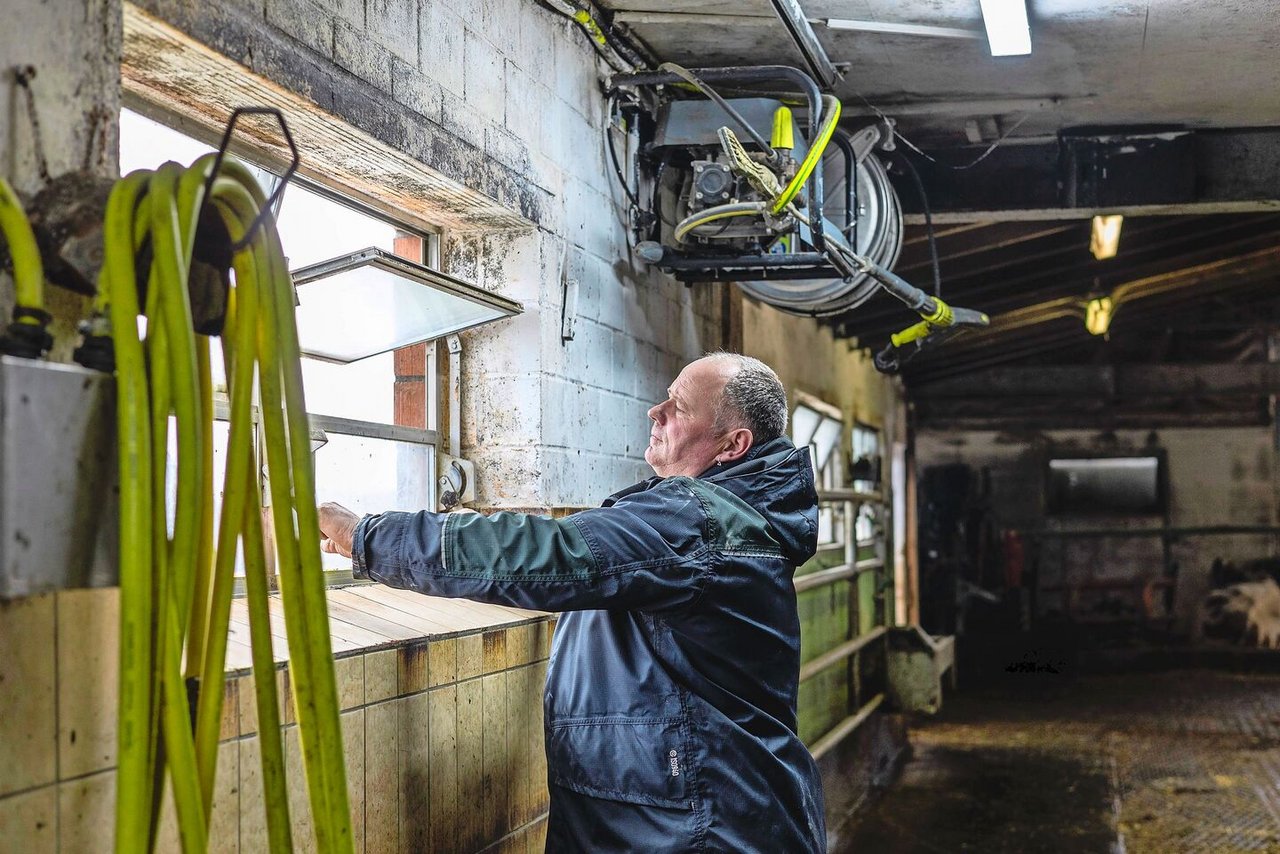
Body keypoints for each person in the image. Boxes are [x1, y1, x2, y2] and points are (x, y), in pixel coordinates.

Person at [318, 352, 827, 852]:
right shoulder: (730, 517)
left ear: (732, 444)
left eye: (680, 406)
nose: (657, 412)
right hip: (708, 809)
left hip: (696, 826)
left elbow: (548, 554)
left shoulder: (696, 520)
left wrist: (364, 536)